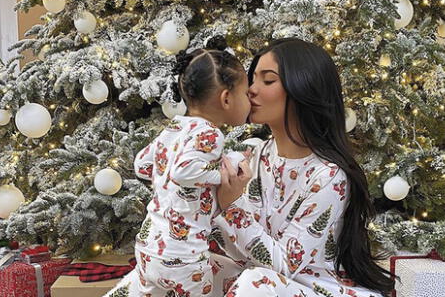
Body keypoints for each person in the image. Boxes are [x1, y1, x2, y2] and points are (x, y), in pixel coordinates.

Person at [209, 38, 394, 296]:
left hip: (310, 289)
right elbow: (244, 253)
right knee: (195, 266)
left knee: (256, 284)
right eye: (253, 80)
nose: (251, 90)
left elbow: (283, 266)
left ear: (303, 87)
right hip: (262, 278)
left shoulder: (329, 175)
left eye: (268, 80)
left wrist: (231, 207)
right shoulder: (257, 155)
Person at [130, 47, 251, 296]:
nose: (250, 100)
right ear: (226, 98)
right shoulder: (210, 133)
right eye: (246, 93)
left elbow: (141, 165)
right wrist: (223, 174)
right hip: (183, 259)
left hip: (147, 248)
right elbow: (184, 172)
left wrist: (165, 172)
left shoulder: (174, 128)